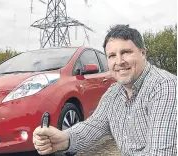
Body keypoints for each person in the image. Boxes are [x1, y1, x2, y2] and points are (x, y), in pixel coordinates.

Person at [33, 24, 177, 156]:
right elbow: (94, 126)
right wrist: (64, 139)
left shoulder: (165, 87)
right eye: (112, 56)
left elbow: (161, 152)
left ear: (143, 53)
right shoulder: (113, 93)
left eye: (126, 52)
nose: (119, 62)